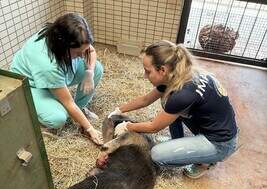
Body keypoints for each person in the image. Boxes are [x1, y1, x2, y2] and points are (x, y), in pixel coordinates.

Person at [109, 40, 238, 179]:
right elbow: (146, 100)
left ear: (162, 70)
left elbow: (153, 127)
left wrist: (127, 126)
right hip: (216, 126)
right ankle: (177, 141)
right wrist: (119, 110)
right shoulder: (179, 75)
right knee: (168, 104)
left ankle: (206, 162)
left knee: (156, 155)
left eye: (147, 71)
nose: (144, 76)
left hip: (220, 142)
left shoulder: (183, 95)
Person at [10, 13, 103, 145]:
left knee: (97, 68)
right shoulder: (48, 64)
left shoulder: (67, 36)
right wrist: (90, 129)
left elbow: (90, 51)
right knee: (58, 118)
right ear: (64, 46)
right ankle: (42, 122)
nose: (83, 56)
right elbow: (68, 102)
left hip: (58, 69)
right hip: (32, 84)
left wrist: (89, 72)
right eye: (78, 53)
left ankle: (80, 108)